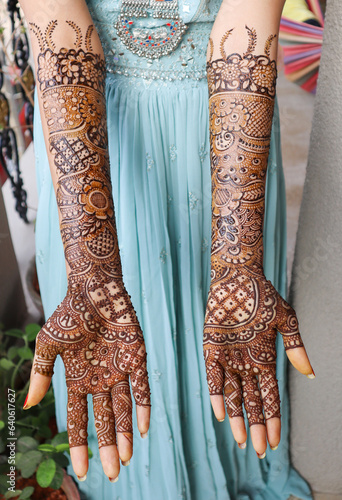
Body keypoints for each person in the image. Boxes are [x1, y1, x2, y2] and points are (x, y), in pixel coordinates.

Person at [20, 0, 314, 498]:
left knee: (229, 335)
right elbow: (60, 31)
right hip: (90, 133)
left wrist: (239, 259)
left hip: (224, 135)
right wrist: (92, 270)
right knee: (112, 344)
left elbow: (248, 23)